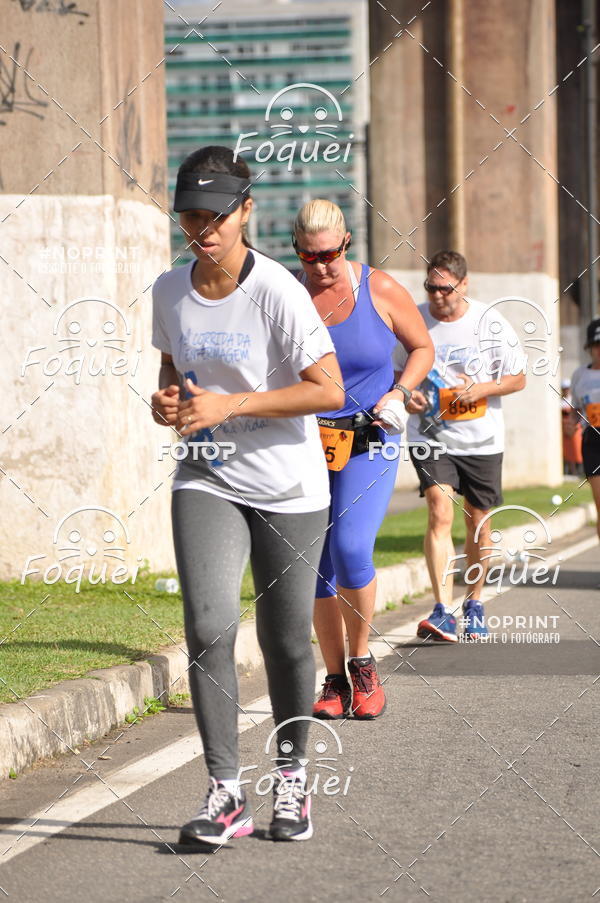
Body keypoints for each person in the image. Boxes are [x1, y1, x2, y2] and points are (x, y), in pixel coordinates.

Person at [151, 147, 344, 846]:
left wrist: (232, 404)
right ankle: (226, 793)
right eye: (190, 217)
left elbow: (329, 390)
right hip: (205, 474)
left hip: (288, 485)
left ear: (246, 211)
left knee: (286, 640)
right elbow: (175, 369)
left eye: (215, 216)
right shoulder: (168, 291)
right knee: (207, 626)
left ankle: (291, 776)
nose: (202, 230)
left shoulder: (278, 292)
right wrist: (168, 402)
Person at [293, 199, 433, 719]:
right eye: (309, 256)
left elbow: (422, 348)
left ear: (346, 243)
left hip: (370, 438)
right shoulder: (288, 296)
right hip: (306, 444)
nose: (320, 266)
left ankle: (362, 662)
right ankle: (333, 679)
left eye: (329, 254)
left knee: (351, 548)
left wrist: (400, 391)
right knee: (314, 564)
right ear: (297, 251)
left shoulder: (380, 289)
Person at [394, 250, 526, 641]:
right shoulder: (413, 319)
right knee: (439, 510)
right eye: (430, 287)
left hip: (481, 438)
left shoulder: (490, 323)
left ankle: (474, 602)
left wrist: (481, 389)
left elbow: (518, 378)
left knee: (478, 522)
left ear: (464, 284)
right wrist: (407, 395)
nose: (437, 296)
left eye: (446, 289)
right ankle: (441, 609)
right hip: (430, 434)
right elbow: (397, 371)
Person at [570, 318, 600, 538]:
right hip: (593, 441)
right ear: (589, 347)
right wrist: (571, 423)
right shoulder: (579, 375)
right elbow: (576, 409)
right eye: (596, 345)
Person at [561, 378, 583, 476]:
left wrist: (575, 427)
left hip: (575, 428)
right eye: (564, 388)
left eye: (567, 388)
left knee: (577, 450)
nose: (566, 390)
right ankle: (571, 472)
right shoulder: (559, 402)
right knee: (567, 451)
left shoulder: (574, 400)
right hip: (565, 429)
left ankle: (580, 471)